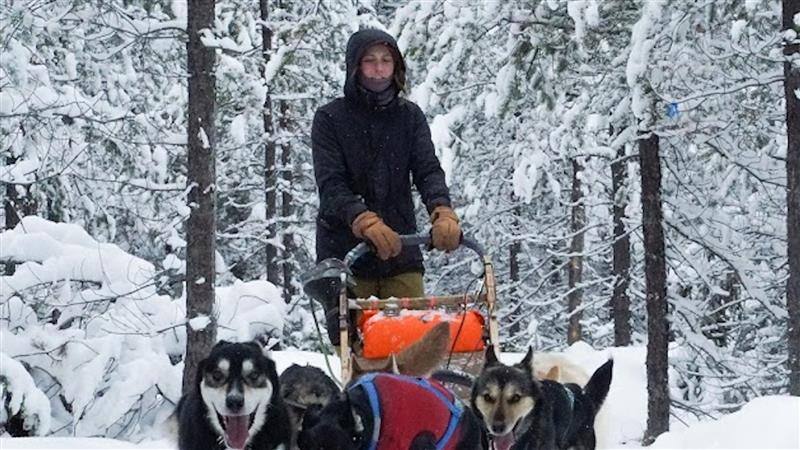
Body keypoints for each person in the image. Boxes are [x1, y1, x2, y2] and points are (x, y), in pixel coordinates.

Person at [311, 28, 461, 345]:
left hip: (400, 251)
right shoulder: (330, 119)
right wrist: (362, 219)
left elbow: (427, 170)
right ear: (355, 67)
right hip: (346, 256)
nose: (379, 69)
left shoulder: (409, 117)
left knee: (413, 346)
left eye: (386, 61)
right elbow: (331, 184)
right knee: (360, 351)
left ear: (396, 67)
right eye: (370, 61)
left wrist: (442, 210)